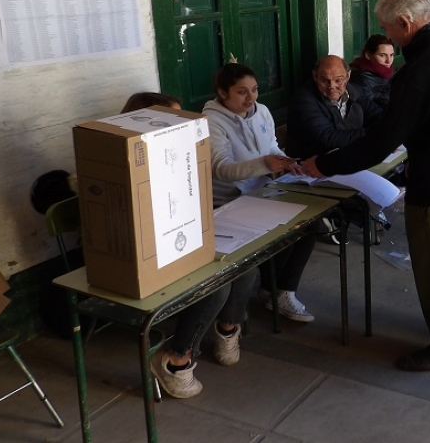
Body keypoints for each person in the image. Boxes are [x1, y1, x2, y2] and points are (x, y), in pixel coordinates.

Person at [304, 0, 430, 372]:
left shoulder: (420, 71)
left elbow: (379, 144)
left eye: (387, 27)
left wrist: (321, 166)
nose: (386, 35)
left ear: (406, 23)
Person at [147, 82, 270, 400]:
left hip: (194, 236)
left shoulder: (179, 157)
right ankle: (176, 360)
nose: (181, 129)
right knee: (216, 287)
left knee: (247, 267)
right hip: (155, 256)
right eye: (170, 122)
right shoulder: (137, 167)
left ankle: (228, 328)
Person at [202, 63, 318, 323]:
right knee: (281, 230)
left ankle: (281, 289)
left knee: (310, 224)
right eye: (241, 92)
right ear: (222, 93)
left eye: (254, 90)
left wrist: (286, 161)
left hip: (264, 189)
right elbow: (220, 169)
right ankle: (269, 288)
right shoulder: (211, 122)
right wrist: (265, 164)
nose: (251, 98)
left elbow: (272, 145)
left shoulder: (262, 111)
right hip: (229, 200)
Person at [285, 55, 382, 160]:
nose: (331, 86)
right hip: (311, 164)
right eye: (324, 80)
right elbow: (329, 138)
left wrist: (385, 133)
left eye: (338, 80)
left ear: (348, 76)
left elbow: (378, 114)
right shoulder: (303, 100)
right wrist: (375, 135)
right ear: (315, 76)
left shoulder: (353, 91)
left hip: (347, 155)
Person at [350, 34, 396, 108]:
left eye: (391, 55)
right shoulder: (360, 77)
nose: (388, 60)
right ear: (368, 55)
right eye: (382, 55)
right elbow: (368, 108)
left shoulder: (391, 72)